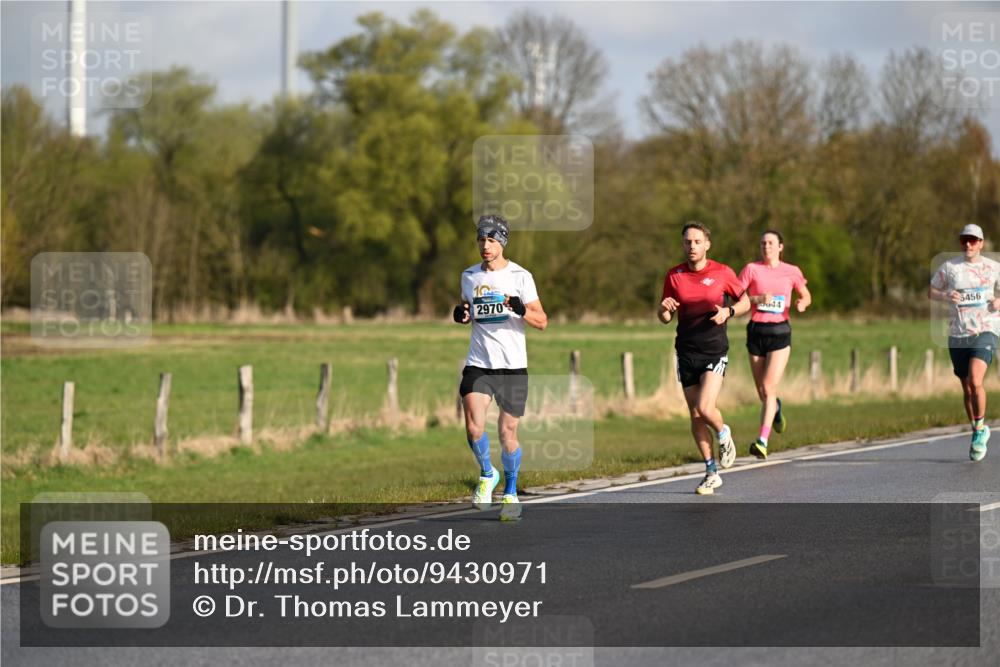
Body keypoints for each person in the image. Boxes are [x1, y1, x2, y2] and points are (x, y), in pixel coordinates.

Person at [454, 214, 547, 520]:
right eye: (481, 239)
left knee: (508, 432)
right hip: (479, 363)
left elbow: (542, 321)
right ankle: (486, 473)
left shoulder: (520, 276)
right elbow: (469, 309)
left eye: (492, 240)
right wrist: (462, 314)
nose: (485, 245)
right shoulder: (469, 276)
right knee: (473, 427)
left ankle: (510, 493)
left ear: (502, 242)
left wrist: (521, 309)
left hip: (512, 366)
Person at [659, 222, 751, 495]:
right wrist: (663, 309)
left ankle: (724, 433)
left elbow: (745, 302)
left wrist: (728, 312)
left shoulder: (722, 272)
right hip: (686, 351)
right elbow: (665, 318)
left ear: (707, 244)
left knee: (705, 407)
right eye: (687, 242)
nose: (692, 246)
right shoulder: (674, 275)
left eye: (697, 241)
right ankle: (711, 471)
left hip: (713, 349)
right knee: (696, 415)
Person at [929, 223, 1000, 462]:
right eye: (964, 241)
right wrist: (945, 295)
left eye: (973, 240)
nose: (968, 244)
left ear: (981, 243)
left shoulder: (993, 268)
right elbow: (931, 291)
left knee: (975, 379)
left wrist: (999, 302)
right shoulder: (950, 268)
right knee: (966, 387)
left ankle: (980, 429)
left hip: (985, 330)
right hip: (958, 333)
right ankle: (977, 430)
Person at [738, 230, 812, 459]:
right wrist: (758, 299)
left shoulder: (792, 271)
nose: (766, 246)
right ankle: (776, 409)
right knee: (763, 392)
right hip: (756, 332)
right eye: (762, 243)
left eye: (770, 243)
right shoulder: (751, 269)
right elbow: (736, 298)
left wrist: (802, 303)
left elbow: (806, 295)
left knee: (769, 387)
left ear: (780, 247)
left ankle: (762, 441)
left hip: (779, 332)